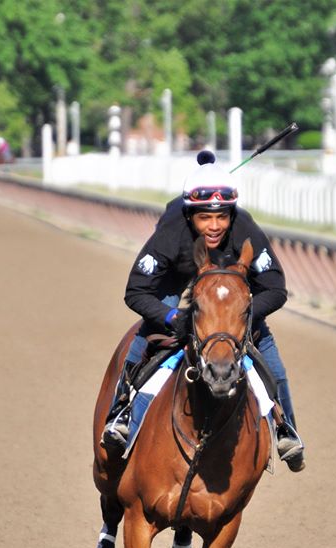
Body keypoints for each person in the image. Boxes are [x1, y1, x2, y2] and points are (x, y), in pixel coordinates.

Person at [101, 151, 305, 472]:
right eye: (204, 218)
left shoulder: (245, 229)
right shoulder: (170, 232)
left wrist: (242, 315)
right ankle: (121, 413)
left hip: (230, 295)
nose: (214, 226)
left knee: (270, 357)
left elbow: (275, 289)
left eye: (222, 216)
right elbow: (136, 290)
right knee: (146, 335)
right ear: (189, 215)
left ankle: (286, 429)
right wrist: (172, 318)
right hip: (176, 285)